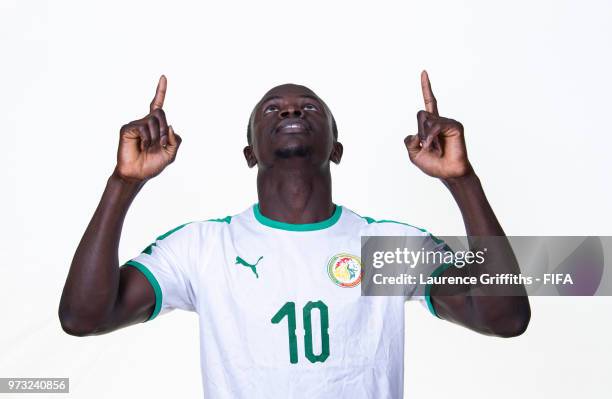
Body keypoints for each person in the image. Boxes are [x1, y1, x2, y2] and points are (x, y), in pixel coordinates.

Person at [59, 72, 530, 398]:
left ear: (336, 149)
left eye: (308, 108)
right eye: (272, 109)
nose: (290, 110)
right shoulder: (204, 247)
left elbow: (505, 316)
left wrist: (461, 181)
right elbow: (84, 316)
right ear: (250, 153)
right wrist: (124, 184)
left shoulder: (384, 247)